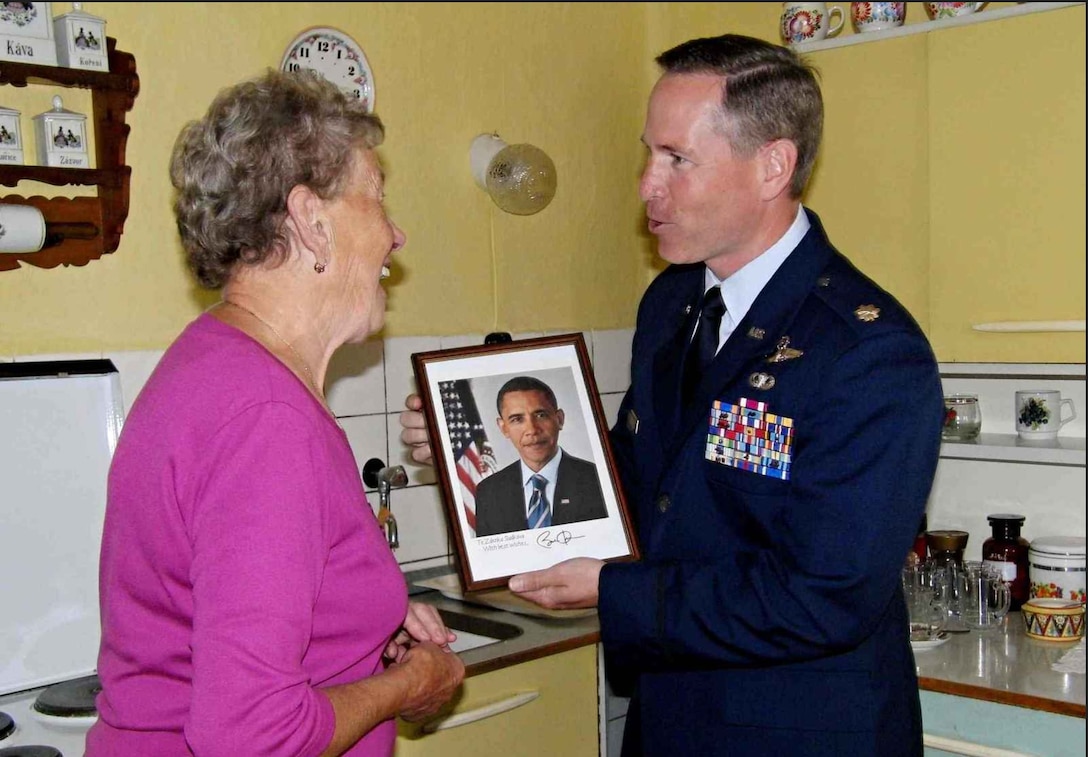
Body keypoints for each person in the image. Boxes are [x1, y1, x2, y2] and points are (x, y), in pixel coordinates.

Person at [403, 34, 942, 756]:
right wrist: (462, 449)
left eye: (677, 160)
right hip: (671, 718)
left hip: (798, 733)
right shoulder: (672, 305)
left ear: (772, 166)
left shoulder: (867, 350)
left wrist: (614, 592)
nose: (645, 186)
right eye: (647, 155)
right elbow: (631, 485)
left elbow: (825, 594)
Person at [87, 69, 464, 757]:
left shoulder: (213, 365)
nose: (396, 234)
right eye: (376, 199)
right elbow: (250, 734)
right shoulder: (267, 421)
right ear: (311, 222)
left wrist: (364, 623)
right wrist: (406, 686)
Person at [473, 375, 608, 537]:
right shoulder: (488, 491)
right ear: (504, 428)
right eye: (517, 419)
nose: (532, 430)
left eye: (540, 415)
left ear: (559, 419)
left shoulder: (599, 480)